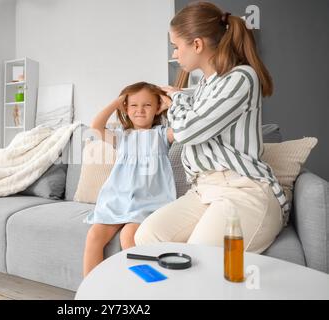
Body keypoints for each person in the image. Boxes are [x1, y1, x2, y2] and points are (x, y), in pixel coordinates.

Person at [135, 1, 288, 254]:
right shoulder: (206, 85)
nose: (174, 54)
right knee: (148, 235)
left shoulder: (241, 77)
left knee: (201, 257)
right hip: (204, 190)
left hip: (242, 190)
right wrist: (177, 96)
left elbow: (188, 131)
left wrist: (177, 99)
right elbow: (191, 109)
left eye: (176, 47)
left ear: (197, 44)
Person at [82, 82, 176, 276]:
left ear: (158, 107)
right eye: (133, 105)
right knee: (94, 236)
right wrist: (117, 103)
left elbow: (185, 128)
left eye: (147, 105)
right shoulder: (121, 137)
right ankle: (91, 293)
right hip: (117, 201)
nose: (140, 110)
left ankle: (146, 286)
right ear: (125, 107)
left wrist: (173, 103)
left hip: (149, 202)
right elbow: (96, 126)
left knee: (129, 237)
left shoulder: (161, 135)